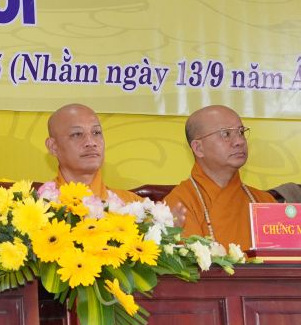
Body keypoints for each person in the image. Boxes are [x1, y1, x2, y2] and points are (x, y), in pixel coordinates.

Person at [162, 105, 272, 249]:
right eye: (226, 134)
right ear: (198, 148)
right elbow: (191, 261)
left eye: (241, 132)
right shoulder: (179, 205)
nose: (239, 141)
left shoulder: (264, 202)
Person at [45, 104, 137, 203]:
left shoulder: (133, 205)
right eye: (77, 134)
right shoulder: (41, 206)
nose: (91, 142)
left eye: (96, 133)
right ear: (53, 146)